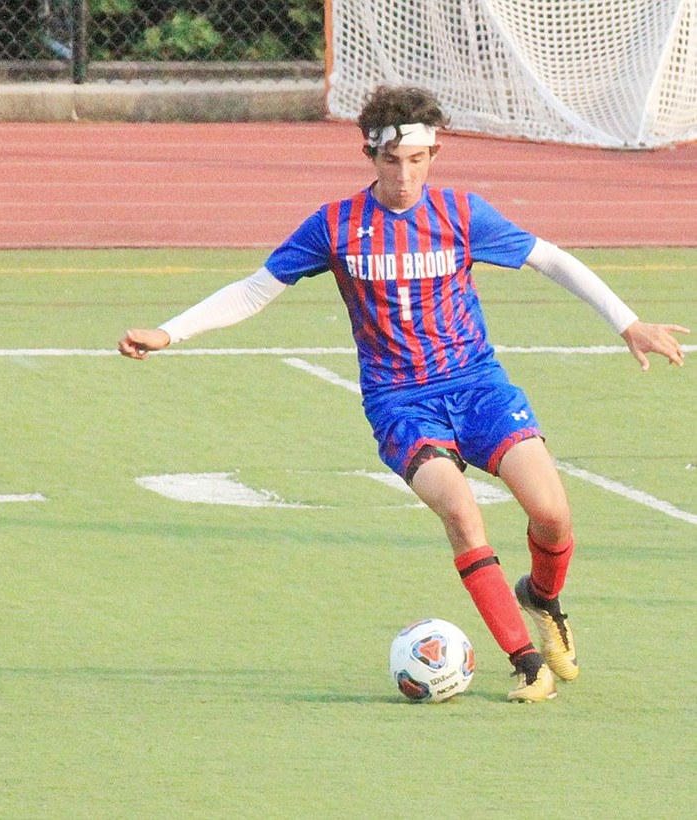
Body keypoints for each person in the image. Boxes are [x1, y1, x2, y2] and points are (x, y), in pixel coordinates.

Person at [118, 85, 689, 702]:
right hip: (401, 403)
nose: (405, 175)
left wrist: (627, 322)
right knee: (462, 513)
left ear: (434, 154)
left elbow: (552, 260)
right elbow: (254, 291)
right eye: (392, 161)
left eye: (418, 160)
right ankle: (527, 663)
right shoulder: (334, 226)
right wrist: (169, 332)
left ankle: (543, 599)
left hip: (479, 388)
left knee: (552, 516)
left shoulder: (462, 215)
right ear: (370, 155)